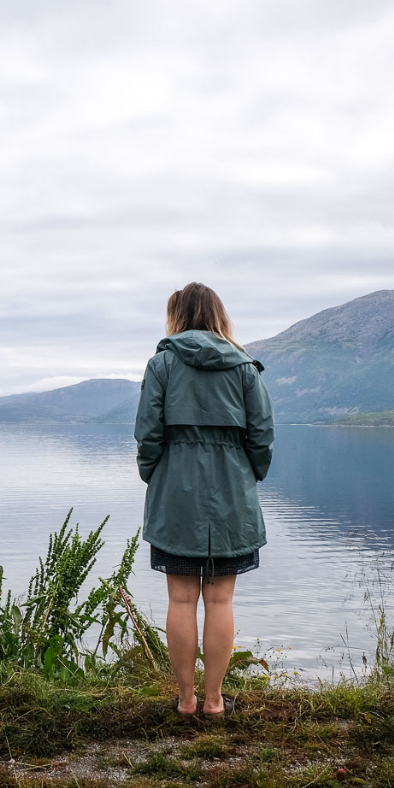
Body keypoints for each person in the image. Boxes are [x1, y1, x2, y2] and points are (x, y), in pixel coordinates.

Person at [134, 282, 274, 719]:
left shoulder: (162, 364)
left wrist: (153, 474)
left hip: (176, 491)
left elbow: (147, 434)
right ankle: (215, 702)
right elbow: (263, 436)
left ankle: (185, 700)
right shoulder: (246, 369)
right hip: (232, 493)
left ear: (176, 316)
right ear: (219, 315)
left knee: (180, 600)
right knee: (220, 601)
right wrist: (248, 475)